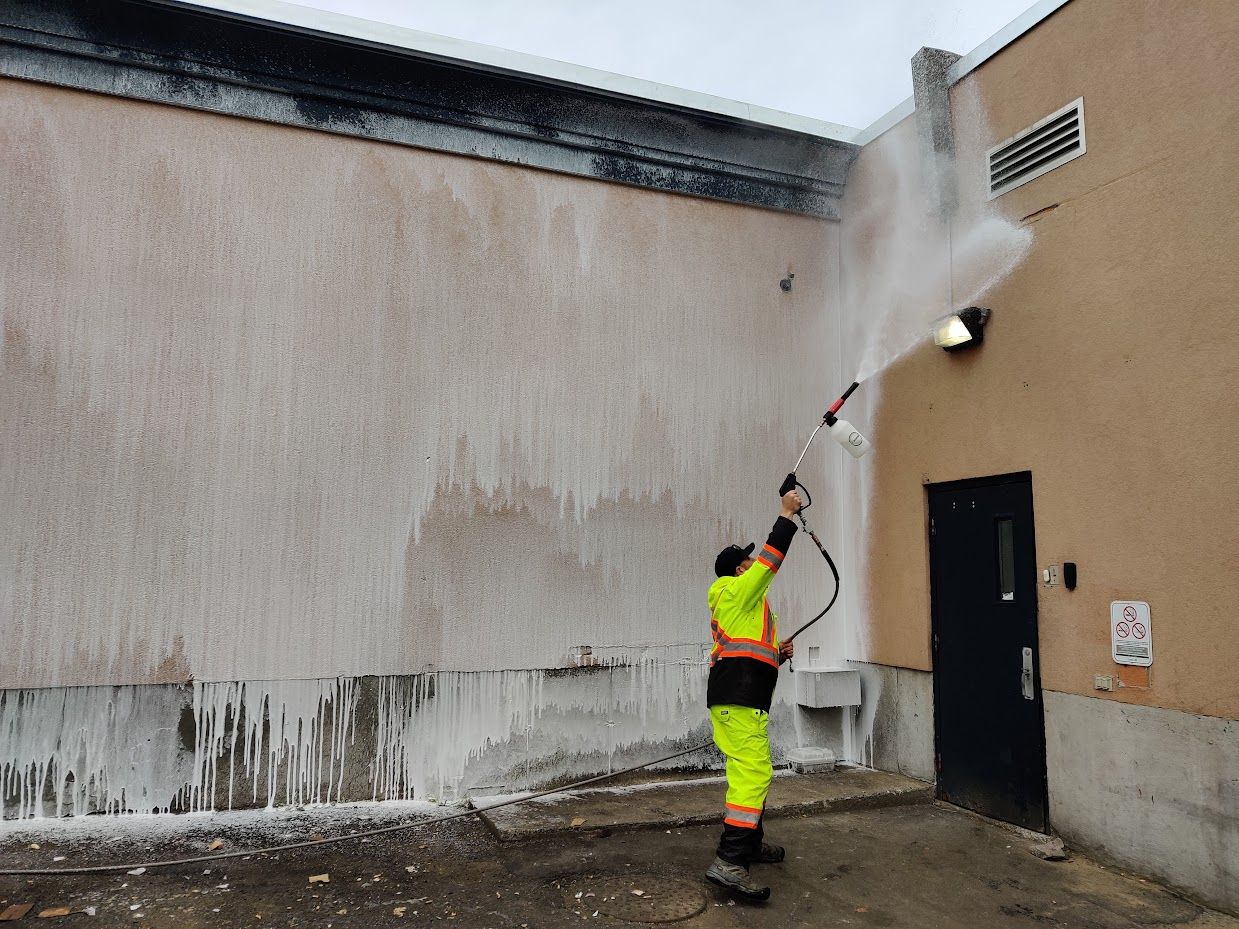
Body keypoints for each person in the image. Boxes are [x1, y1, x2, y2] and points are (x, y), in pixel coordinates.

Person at [703, 487, 801, 902]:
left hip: (743, 697)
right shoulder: (730, 590)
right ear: (737, 570)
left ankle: (750, 844)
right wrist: (786, 516)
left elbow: (748, 654)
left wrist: (776, 655)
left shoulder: (747, 607)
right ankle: (729, 862)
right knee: (753, 772)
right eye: (747, 561)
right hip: (737, 700)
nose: (752, 563)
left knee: (751, 773)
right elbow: (767, 566)